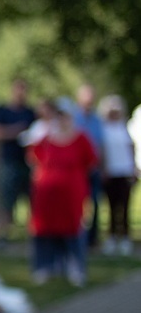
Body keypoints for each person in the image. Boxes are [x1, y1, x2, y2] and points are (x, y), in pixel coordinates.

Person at [27, 99, 97, 285]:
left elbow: (90, 162)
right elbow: (34, 158)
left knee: (73, 229)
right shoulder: (46, 139)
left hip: (71, 194)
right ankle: (45, 266)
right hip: (48, 194)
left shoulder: (81, 138)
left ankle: (75, 267)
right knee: (45, 229)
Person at [0, 78, 36, 240]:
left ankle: (32, 232)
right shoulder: (2, 111)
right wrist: (17, 131)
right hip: (7, 161)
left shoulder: (30, 113)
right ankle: (3, 233)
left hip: (26, 162)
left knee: (31, 197)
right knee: (5, 199)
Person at [97, 95, 136, 255]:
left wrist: (133, 168)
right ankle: (112, 236)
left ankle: (125, 237)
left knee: (125, 206)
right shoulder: (104, 129)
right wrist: (104, 168)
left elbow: (131, 148)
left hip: (124, 171)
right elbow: (102, 150)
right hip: (111, 172)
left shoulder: (124, 128)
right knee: (111, 206)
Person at [72, 83, 104, 248]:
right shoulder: (73, 118)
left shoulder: (97, 120)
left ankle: (92, 238)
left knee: (95, 202)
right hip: (77, 170)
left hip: (93, 169)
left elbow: (101, 145)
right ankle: (76, 236)